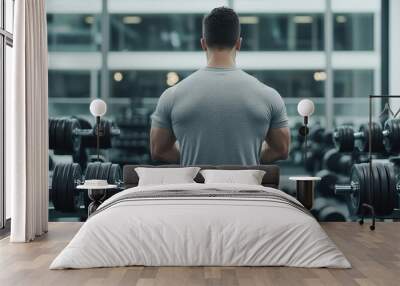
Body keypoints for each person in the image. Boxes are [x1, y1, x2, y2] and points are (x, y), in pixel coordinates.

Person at [150, 7, 290, 166]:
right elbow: (281, 149)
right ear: (239, 43)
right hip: (247, 190)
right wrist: (252, 157)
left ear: (203, 43)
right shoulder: (268, 96)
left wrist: (191, 156)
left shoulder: (172, 95)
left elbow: (158, 150)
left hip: (194, 190)